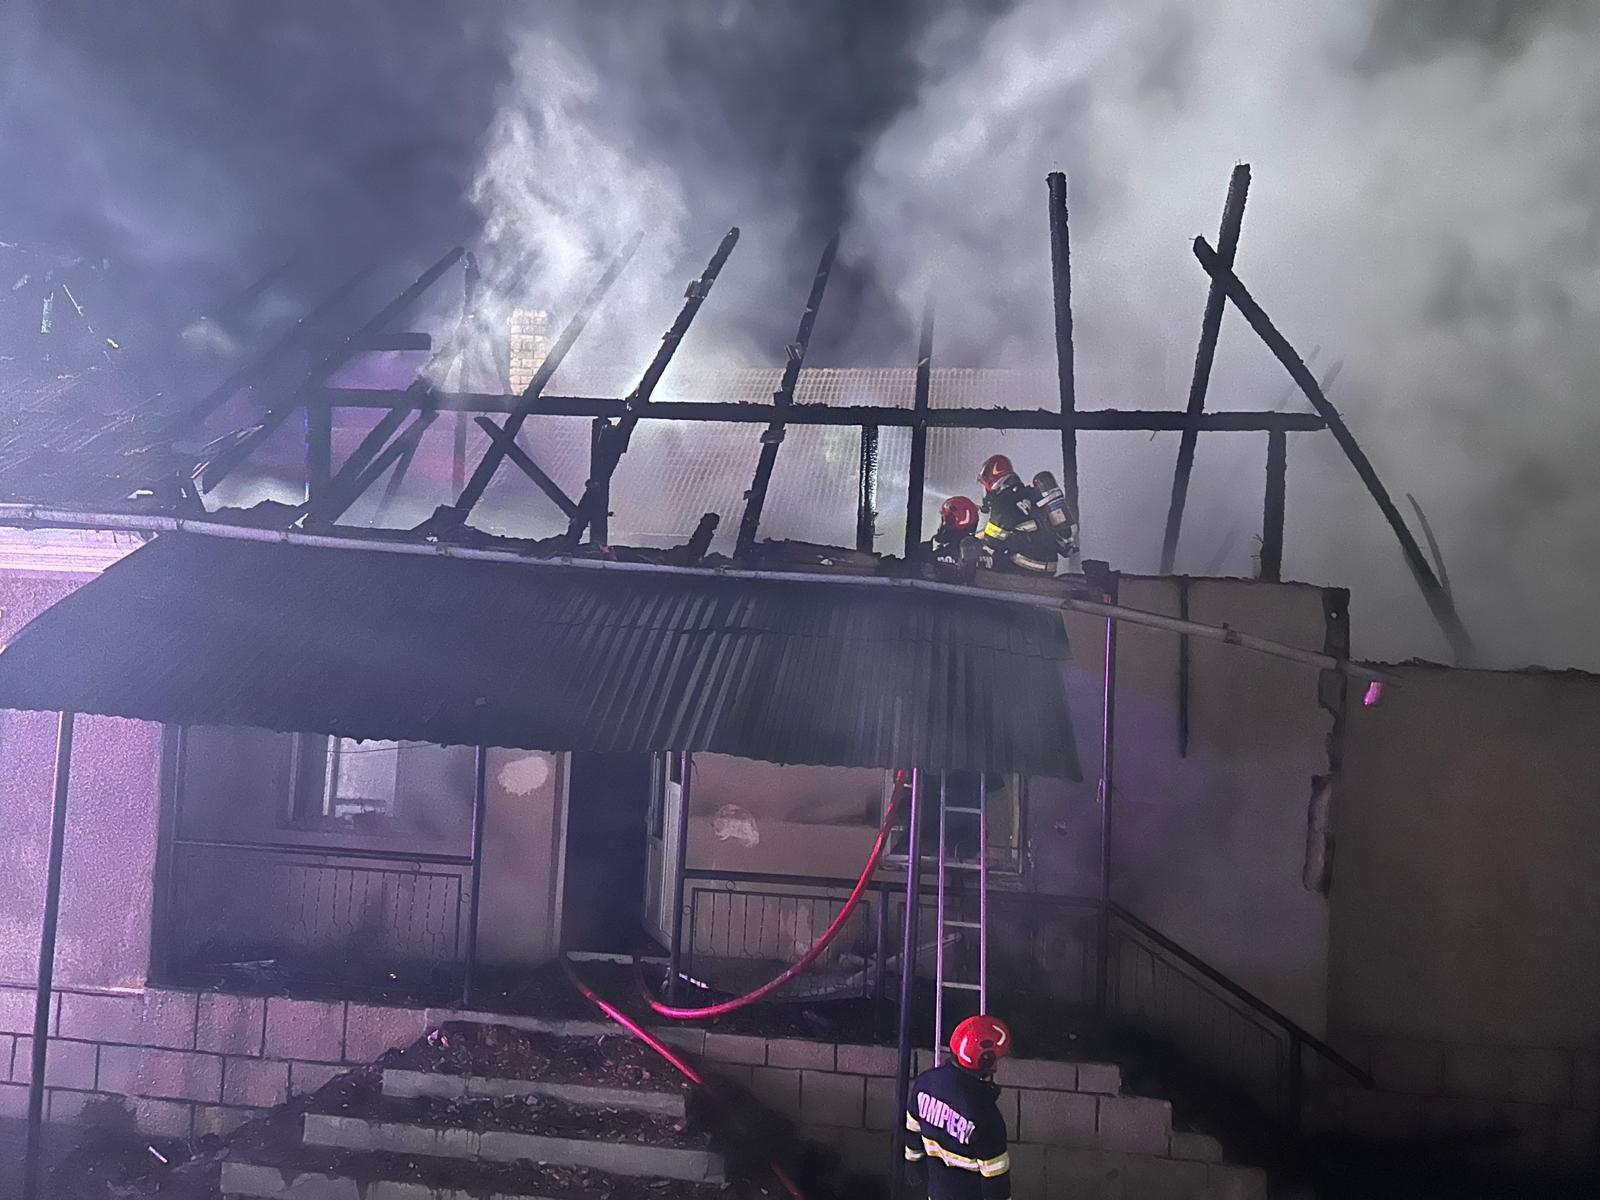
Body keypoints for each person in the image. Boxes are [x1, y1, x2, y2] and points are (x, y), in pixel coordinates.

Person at [904, 1014, 1013, 1199]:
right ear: (985, 1059)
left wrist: (913, 1164)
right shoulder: (986, 1116)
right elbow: (996, 1181)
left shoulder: (925, 1083)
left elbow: (913, 1129)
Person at [975, 454, 1076, 575]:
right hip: (1050, 568)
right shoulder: (1032, 494)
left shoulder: (1002, 500)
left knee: (992, 559)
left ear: (991, 481)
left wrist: (976, 539)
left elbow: (992, 540)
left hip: (1022, 568)